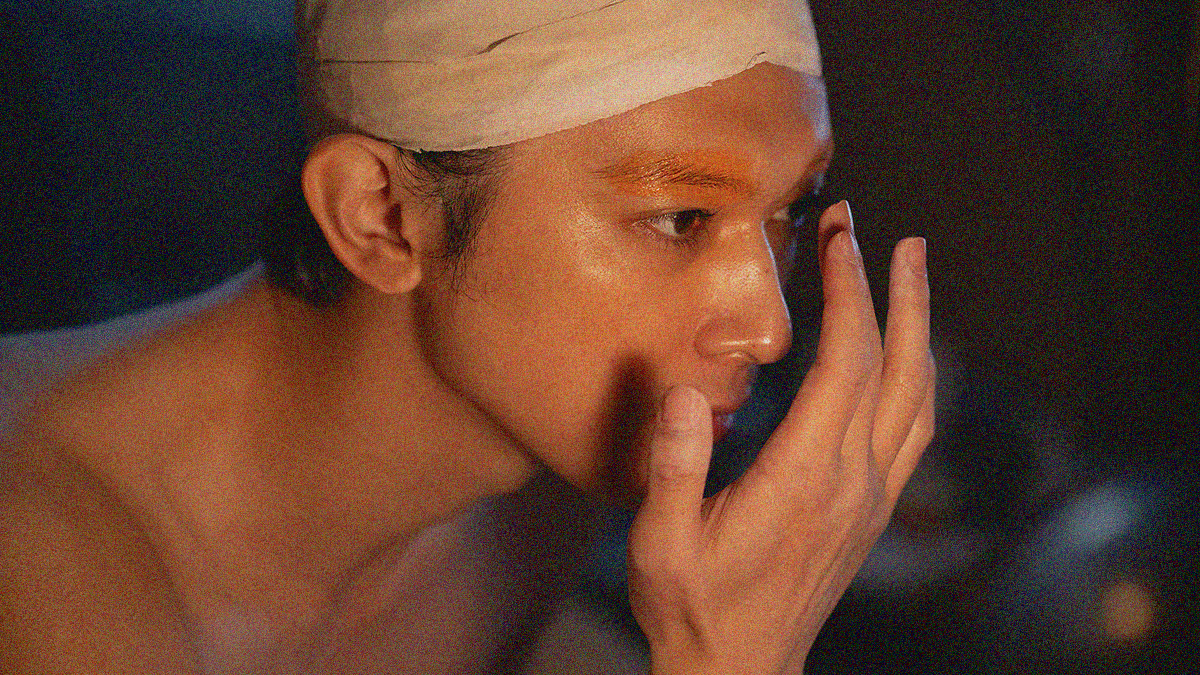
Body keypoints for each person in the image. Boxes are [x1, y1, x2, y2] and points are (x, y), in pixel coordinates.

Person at [0, 0, 935, 673]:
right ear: (379, 216)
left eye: (787, 210)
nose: (771, 329)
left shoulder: (543, 489)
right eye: (681, 217)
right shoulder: (39, 574)